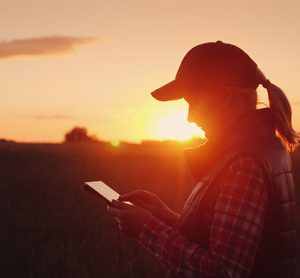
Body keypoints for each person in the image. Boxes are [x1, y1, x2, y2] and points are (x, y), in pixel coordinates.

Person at [108, 41, 298, 277]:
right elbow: (226, 239)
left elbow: (224, 272)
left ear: (224, 97)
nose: (189, 118)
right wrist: (167, 218)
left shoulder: (244, 163)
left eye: (193, 102)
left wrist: (147, 228)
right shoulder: (260, 148)